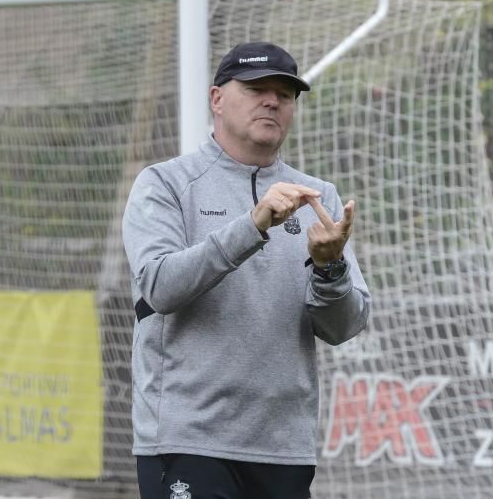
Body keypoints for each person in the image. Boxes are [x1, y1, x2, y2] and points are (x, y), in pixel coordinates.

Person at [121, 41, 371, 499]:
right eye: (257, 88)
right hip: (188, 439)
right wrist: (253, 225)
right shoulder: (165, 184)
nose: (272, 100)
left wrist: (330, 267)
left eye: (285, 93)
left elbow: (344, 327)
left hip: (284, 448)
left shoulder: (319, 198)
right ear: (217, 99)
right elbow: (159, 287)